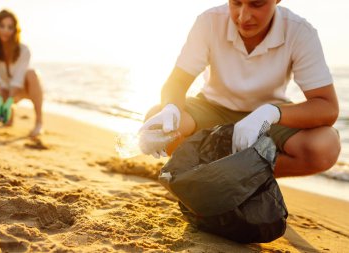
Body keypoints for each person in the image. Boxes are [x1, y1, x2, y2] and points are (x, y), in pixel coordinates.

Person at [140, 0, 340, 178]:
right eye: (236, 3)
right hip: (211, 108)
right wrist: (170, 108)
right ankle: (203, 172)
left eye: (257, 4)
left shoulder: (300, 31)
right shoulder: (209, 21)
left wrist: (271, 112)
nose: (243, 17)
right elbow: (177, 81)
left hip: (269, 117)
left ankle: (242, 174)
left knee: (325, 146)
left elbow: (327, 107)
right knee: (156, 120)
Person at [0, 9, 43, 137]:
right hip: (5, 89)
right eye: (2, 26)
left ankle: (39, 122)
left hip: (23, 88)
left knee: (32, 74)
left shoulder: (24, 50)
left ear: (15, 30)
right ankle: (9, 114)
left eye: (10, 27)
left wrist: (10, 101)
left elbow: (19, 78)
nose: (5, 30)